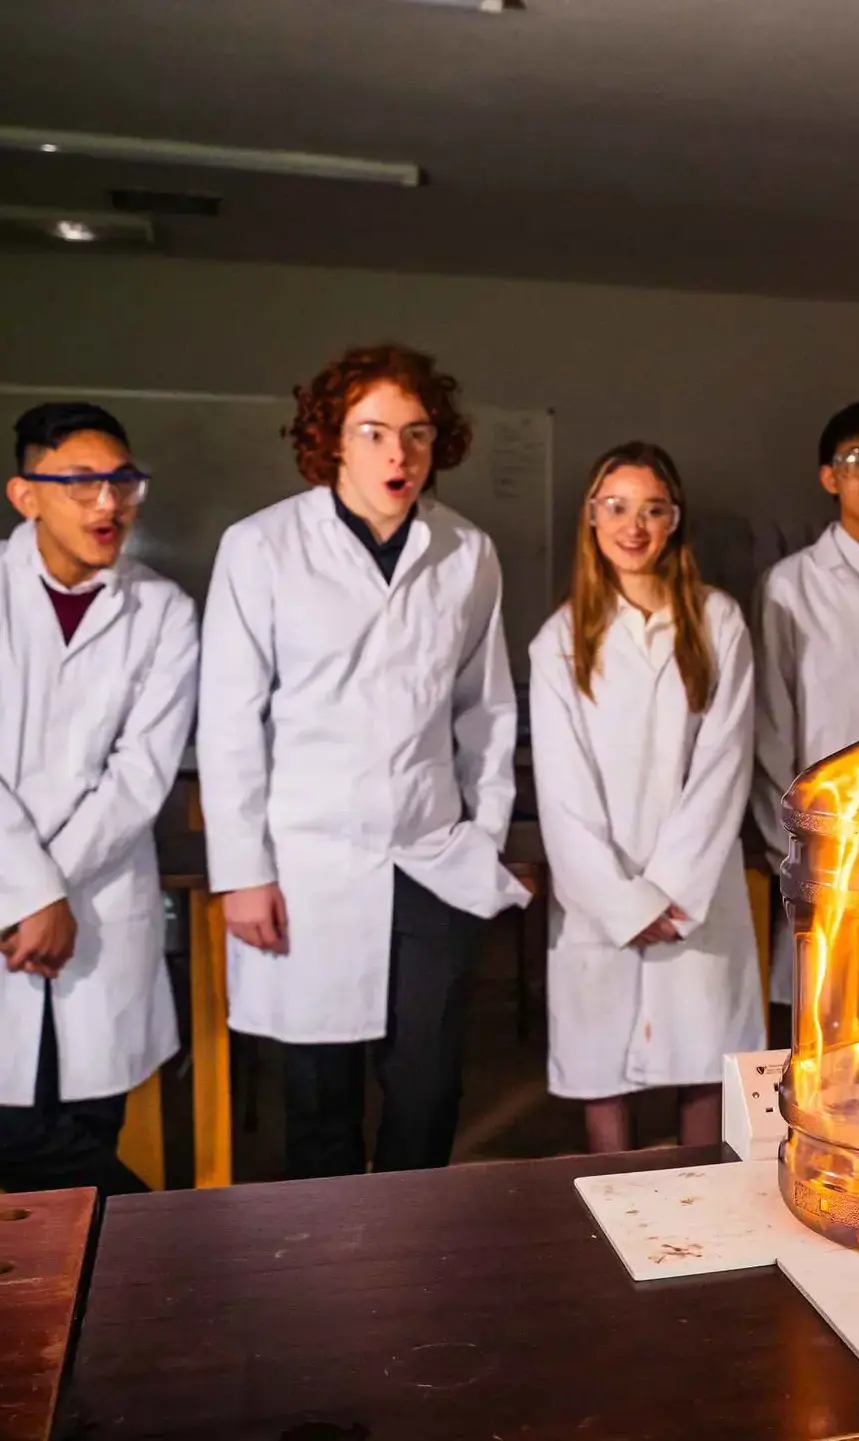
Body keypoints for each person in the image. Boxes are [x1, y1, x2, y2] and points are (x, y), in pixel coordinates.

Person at [198, 344, 528, 1180]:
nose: (398, 455)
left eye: (417, 434)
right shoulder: (261, 547)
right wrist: (243, 872)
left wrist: (482, 834)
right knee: (318, 1093)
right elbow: (231, 720)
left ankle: (410, 1266)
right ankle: (329, 1282)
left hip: (427, 855)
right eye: (374, 432)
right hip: (306, 863)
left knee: (427, 1085)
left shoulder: (466, 552)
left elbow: (484, 709)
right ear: (331, 442)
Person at [532, 442, 762, 1152]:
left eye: (652, 509)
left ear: (674, 521)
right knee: (600, 1052)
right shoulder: (561, 641)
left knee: (703, 1050)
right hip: (599, 890)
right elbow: (563, 792)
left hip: (694, 884)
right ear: (591, 518)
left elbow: (724, 763)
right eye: (617, 507)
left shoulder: (717, 622)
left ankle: (707, 1194)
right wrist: (623, 900)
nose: (633, 526)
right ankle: (613, 1197)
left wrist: (673, 891)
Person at [0, 402, 197, 1196]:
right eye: (80, 483)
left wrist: (49, 890)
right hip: (16, 911)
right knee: (15, 1137)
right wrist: (32, 890)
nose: (108, 504)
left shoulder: (165, 611)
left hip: (97, 912)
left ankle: (99, 1314)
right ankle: (174, 1247)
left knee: (84, 1129)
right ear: (25, 494)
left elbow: (140, 774)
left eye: (122, 482)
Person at [752, 401, 859, 1032]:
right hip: (827, 845)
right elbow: (772, 730)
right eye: (857, 461)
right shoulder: (788, 587)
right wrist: (794, 850)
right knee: (829, 1029)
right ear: (829, 478)